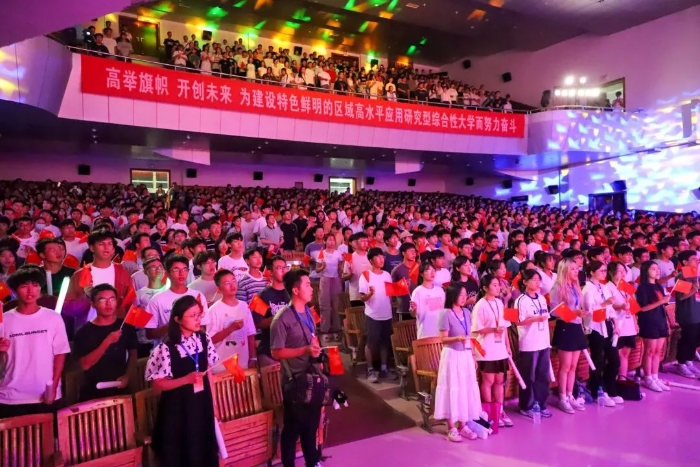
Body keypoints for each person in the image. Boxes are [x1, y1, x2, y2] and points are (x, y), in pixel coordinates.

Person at [145, 295, 220, 467]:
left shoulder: (204, 339)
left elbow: (208, 372)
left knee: (204, 450)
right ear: (177, 319)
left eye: (199, 314)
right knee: (181, 453)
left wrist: (214, 404)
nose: (198, 319)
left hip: (202, 403)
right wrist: (185, 380)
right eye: (192, 315)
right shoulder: (166, 347)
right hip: (177, 409)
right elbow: (157, 385)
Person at [0, 266, 71, 418]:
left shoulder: (53, 318)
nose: (30, 290)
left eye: (35, 285)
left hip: (45, 394)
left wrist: (53, 387)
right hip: (10, 395)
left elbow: (60, 354)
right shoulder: (5, 320)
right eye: (24, 286)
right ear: (15, 291)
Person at [270, 269, 323, 467]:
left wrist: (317, 354)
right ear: (295, 290)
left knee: (311, 425)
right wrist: (305, 350)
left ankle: (313, 462)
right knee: (292, 429)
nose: (311, 288)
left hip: (312, 377)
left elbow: (313, 339)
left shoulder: (308, 312)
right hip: (294, 381)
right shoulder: (282, 318)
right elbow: (276, 352)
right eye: (307, 284)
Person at [73, 284, 138, 402]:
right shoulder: (83, 332)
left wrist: (127, 376)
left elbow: (133, 354)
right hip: (93, 390)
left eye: (112, 299)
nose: (108, 304)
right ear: (93, 304)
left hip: (120, 387)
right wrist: (107, 341)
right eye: (102, 300)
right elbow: (85, 365)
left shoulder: (125, 326)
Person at [434, 284, 481, 442]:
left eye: (465, 295)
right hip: (452, 355)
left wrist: (473, 355)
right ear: (453, 295)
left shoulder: (467, 312)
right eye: (460, 295)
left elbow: (470, 336)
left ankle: (464, 424)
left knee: (465, 388)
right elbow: (443, 339)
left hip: (465, 354)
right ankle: (451, 427)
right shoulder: (445, 314)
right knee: (452, 388)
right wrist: (456, 338)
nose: (464, 298)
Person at [471, 274, 513, 428]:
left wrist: (508, 346)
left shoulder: (500, 303)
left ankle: (500, 410)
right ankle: (489, 412)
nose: (498, 287)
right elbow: (476, 329)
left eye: (498, 284)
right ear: (485, 288)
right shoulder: (480, 305)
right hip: (486, 349)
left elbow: (505, 327)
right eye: (494, 285)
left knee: (500, 381)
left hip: (500, 348)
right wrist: (493, 329)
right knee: (488, 381)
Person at [550, 258, 588, 414]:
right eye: (572, 269)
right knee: (565, 366)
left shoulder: (575, 286)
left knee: (573, 366)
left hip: (576, 326)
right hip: (565, 327)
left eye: (577, 268)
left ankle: (570, 394)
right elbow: (555, 311)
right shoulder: (557, 287)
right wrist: (574, 313)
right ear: (564, 270)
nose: (576, 271)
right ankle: (562, 397)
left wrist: (580, 313)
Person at [581, 261, 622, 406]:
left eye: (605, 270)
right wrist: (605, 303)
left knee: (615, 360)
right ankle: (596, 390)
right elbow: (589, 310)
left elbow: (611, 310)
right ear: (592, 272)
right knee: (598, 360)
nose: (604, 273)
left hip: (608, 325)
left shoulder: (604, 287)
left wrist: (616, 324)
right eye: (601, 271)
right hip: (595, 327)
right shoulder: (587, 288)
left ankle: (610, 388)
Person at [514, 269, 553, 419]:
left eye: (538, 280)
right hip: (529, 343)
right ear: (525, 282)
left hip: (543, 341)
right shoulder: (521, 300)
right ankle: (526, 406)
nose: (537, 283)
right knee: (529, 376)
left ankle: (541, 404)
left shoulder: (542, 298)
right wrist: (535, 319)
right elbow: (518, 321)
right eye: (534, 280)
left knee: (543, 375)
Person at [145, 254, 210, 343]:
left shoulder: (198, 296)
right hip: (168, 348)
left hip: (193, 347)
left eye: (184, 269)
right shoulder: (156, 300)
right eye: (176, 270)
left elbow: (203, 327)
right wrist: (174, 323)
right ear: (167, 273)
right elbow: (149, 334)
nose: (181, 273)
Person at [358, 248, 396, 383]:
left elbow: (390, 294)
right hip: (373, 315)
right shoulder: (365, 275)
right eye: (378, 257)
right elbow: (362, 298)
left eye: (382, 257)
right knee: (371, 343)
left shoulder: (387, 275)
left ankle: (384, 369)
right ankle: (370, 369)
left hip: (387, 314)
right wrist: (370, 294)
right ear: (371, 260)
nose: (381, 259)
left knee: (385, 343)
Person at [207, 269, 257, 371]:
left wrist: (253, 357)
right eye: (226, 283)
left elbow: (250, 334)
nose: (232, 285)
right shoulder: (213, 310)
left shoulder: (244, 306)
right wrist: (230, 329)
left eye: (233, 280)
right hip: (221, 367)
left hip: (242, 363)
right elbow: (210, 340)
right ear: (219, 289)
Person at [635, 260, 671, 392]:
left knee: (657, 352)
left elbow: (662, 304)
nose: (657, 271)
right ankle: (648, 378)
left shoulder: (658, 286)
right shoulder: (642, 287)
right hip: (649, 321)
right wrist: (661, 302)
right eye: (653, 269)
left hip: (660, 319)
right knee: (649, 351)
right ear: (646, 271)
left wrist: (664, 302)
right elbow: (642, 308)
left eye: (658, 269)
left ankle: (655, 377)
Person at [254, 256, 290, 366]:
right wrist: (279, 318)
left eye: (285, 267)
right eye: (279, 268)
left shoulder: (294, 291)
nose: (283, 270)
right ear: (270, 272)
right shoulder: (261, 296)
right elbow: (257, 323)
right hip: (270, 349)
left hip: (292, 349)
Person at [605, 262, 638, 379]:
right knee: (616, 354)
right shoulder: (607, 287)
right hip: (617, 324)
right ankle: (612, 379)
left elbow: (633, 305)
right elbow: (607, 307)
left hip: (629, 322)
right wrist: (620, 306)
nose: (623, 273)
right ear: (611, 272)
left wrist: (635, 323)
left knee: (625, 354)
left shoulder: (626, 285)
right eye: (620, 270)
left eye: (624, 270)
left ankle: (622, 378)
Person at [674, 251, 700, 378]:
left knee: (696, 339)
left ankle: (689, 361)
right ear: (685, 262)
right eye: (693, 259)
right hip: (687, 314)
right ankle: (681, 364)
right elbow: (681, 297)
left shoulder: (696, 275)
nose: (697, 261)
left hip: (697, 312)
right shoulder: (682, 276)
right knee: (687, 339)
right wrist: (693, 290)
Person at [316, 233, 343, 343]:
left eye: (333, 240)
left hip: (335, 279)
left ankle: (336, 329)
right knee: (325, 305)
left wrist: (343, 273)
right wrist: (322, 267)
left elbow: (340, 269)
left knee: (336, 305)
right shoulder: (322, 253)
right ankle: (325, 331)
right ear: (325, 241)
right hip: (325, 279)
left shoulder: (338, 253)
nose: (332, 242)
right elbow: (317, 270)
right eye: (329, 240)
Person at [411, 261, 446, 338]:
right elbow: (413, 314)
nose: (432, 273)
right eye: (428, 270)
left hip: (441, 332)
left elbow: (444, 310)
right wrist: (414, 309)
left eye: (433, 270)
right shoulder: (418, 291)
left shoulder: (440, 290)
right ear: (421, 274)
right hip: (425, 333)